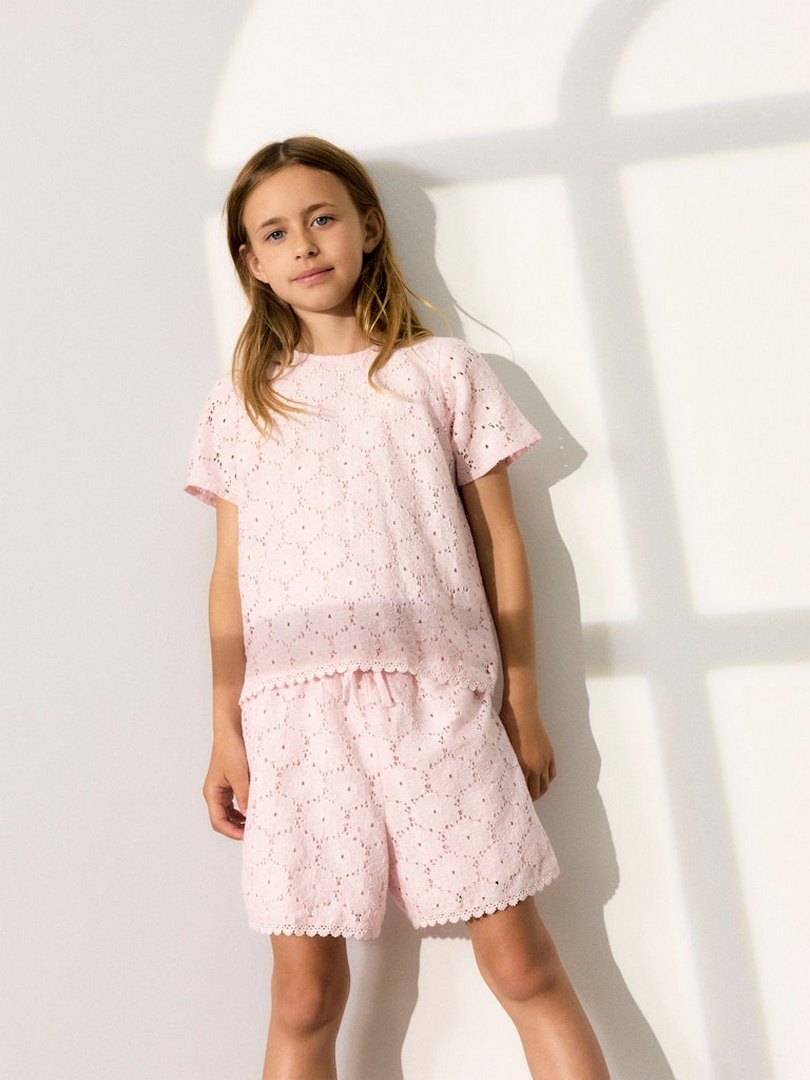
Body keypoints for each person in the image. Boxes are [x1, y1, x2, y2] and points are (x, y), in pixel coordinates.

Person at [184, 135, 610, 1080]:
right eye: (275, 233)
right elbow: (228, 577)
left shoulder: (442, 373)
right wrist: (224, 728)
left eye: (323, 218)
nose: (305, 244)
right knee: (303, 996)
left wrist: (523, 700)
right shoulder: (241, 405)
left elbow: (502, 544)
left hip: (437, 704)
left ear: (370, 228)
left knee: (523, 965)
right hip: (294, 722)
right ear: (251, 262)